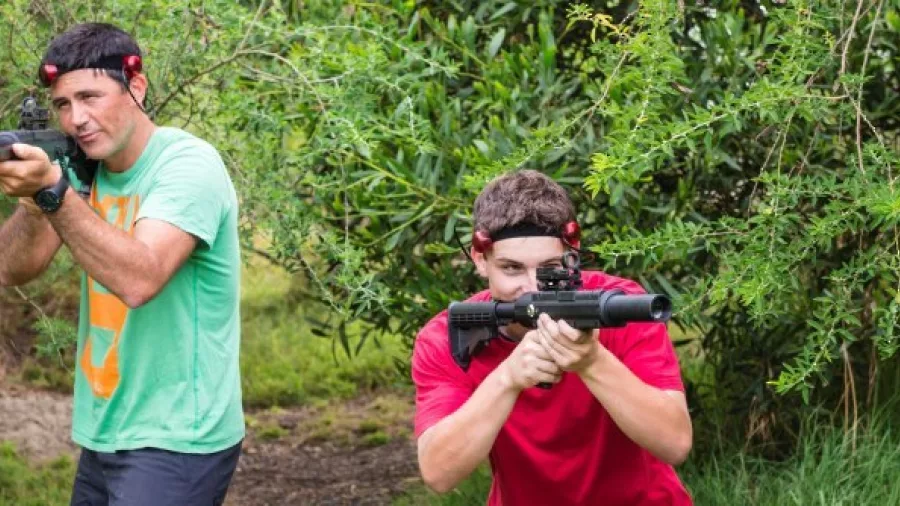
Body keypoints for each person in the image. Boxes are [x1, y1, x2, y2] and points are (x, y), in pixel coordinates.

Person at [0, 22, 244, 505]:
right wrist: (34, 202)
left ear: (136, 87)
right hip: (106, 427)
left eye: (91, 97)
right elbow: (12, 268)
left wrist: (53, 192)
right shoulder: (81, 168)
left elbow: (140, 277)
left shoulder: (187, 164)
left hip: (177, 434)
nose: (77, 119)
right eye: (63, 105)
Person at [412, 170, 693, 505]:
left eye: (549, 268)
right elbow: (439, 473)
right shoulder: (445, 337)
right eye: (512, 268)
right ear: (480, 260)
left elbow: (675, 442)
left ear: (572, 253)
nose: (532, 287)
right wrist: (508, 379)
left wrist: (592, 362)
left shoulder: (619, 307)